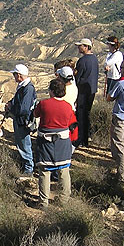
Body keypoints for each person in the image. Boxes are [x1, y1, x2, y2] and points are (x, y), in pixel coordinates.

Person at [33, 78, 77, 208]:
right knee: (63, 169)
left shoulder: (44, 104)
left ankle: (43, 202)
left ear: (51, 91)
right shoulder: (68, 106)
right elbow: (70, 121)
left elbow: (36, 114)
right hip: (62, 141)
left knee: (44, 171)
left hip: (45, 141)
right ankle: (63, 200)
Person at [5, 64, 37, 175]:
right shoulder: (23, 86)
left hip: (23, 121)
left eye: (14, 74)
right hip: (20, 120)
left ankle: (29, 169)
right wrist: (11, 102)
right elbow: (17, 100)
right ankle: (25, 165)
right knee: (21, 144)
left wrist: (12, 109)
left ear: (19, 75)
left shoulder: (28, 88)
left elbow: (24, 108)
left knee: (24, 145)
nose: (14, 77)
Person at [74, 38, 99, 148]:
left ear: (86, 47)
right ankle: (86, 138)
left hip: (83, 91)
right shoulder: (94, 59)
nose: (79, 48)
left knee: (81, 115)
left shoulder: (82, 61)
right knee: (87, 114)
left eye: (80, 46)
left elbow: (77, 77)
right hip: (92, 91)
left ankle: (81, 140)